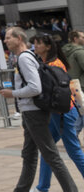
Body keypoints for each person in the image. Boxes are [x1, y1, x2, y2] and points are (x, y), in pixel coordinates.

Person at [0, 27, 78, 192]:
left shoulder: (24, 59)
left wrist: (11, 93)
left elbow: (35, 88)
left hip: (34, 112)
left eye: (8, 37)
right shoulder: (29, 56)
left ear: (19, 38)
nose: (5, 41)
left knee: (51, 155)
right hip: (31, 112)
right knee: (29, 154)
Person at [32, 34, 84, 192]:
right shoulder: (48, 63)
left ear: (48, 46)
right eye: (34, 43)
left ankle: (42, 187)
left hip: (64, 112)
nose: (35, 46)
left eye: (38, 43)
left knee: (73, 150)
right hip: (60, 112)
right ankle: (42, 187)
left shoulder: (54, 64)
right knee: (48, 149)